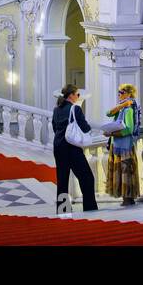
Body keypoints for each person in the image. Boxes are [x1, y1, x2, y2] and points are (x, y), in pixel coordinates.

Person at [52, 84, 98, 214]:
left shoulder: (56, 110)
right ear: (71, 95)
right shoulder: (75, 109)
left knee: (62, 180)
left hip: (58, 147)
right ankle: (90, 208)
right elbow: (85, 127)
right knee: (87, 177)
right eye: (77, 94)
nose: (78, 97)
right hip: (71, 147)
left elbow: (55, 128)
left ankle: (63, 210)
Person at [106, 84, 142, 206]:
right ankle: (125, 198)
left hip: (125, 147)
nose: (119, 94)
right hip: (117, 145)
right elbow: (108, 113)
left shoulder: (129, 110)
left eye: (121, 92)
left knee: (126, 172)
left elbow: (129, 129)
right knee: (120, 173)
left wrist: (112, 133)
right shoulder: (122, 108)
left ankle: (128, 198)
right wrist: (123, 104)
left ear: (128, 93)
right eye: (118, 92)